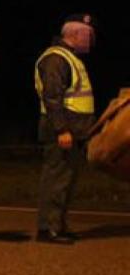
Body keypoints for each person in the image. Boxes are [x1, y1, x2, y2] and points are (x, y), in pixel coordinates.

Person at [35, 14, 97, 244]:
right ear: (75, 33)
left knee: (66, 181)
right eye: (88, 35)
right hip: (62, 130)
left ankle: (58, 225)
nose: (90, 40)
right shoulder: (56, 59)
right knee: (56, 180)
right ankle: (48, 229)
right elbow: (52, 97)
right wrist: (62, 130)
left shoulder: (69, 58)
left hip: (74, 130)